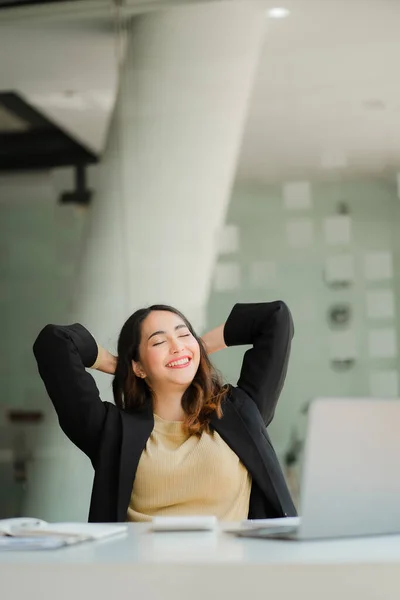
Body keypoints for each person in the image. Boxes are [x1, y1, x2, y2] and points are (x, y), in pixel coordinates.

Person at [33, 301, 297, 522]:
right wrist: (118, 365)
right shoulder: (112, 431)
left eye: (184, 335)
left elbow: (275, 318)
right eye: (159, 342)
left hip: (229, 578)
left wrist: (197, 349)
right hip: (141, 579)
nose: (177, 345)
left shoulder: (240, 413)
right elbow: (55, 341)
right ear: (139, 367)